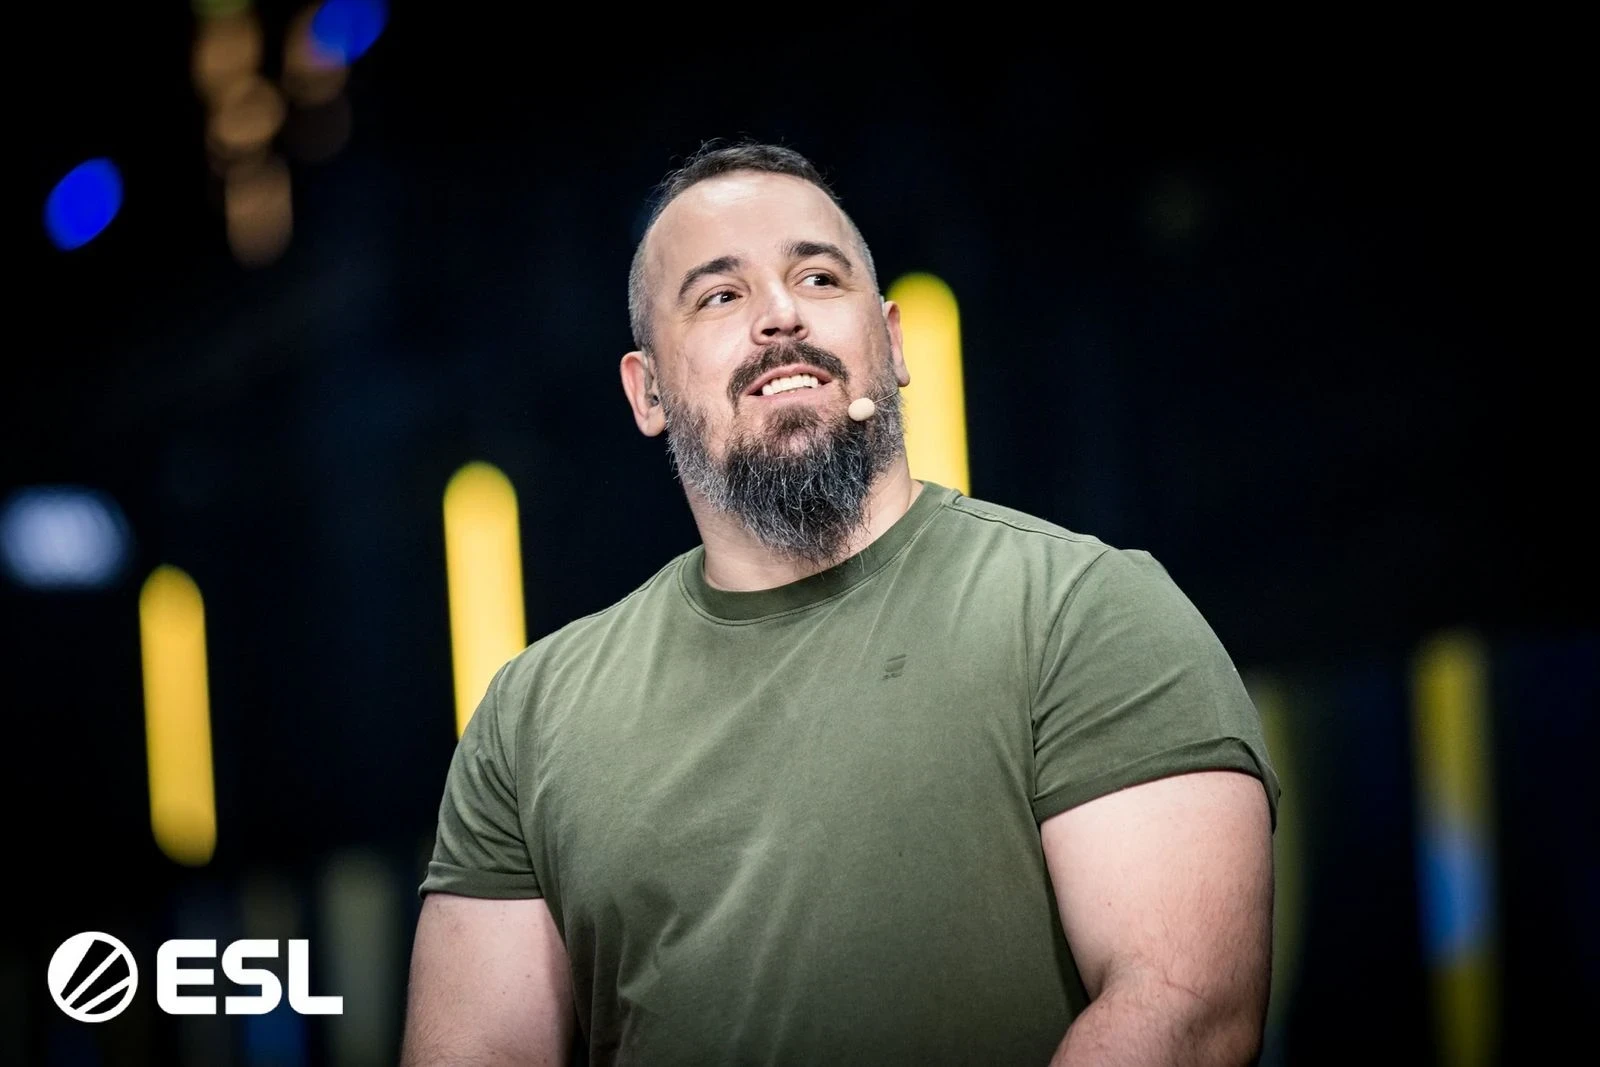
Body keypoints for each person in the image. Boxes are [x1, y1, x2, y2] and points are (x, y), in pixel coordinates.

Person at [400, 140, 1281, 1066]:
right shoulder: (531, 715)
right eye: (720, 295)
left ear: (892, 344)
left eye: (818, 278)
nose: (780, 315)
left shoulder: (1085, 609)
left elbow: (1184, 1008)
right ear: (647, 390)